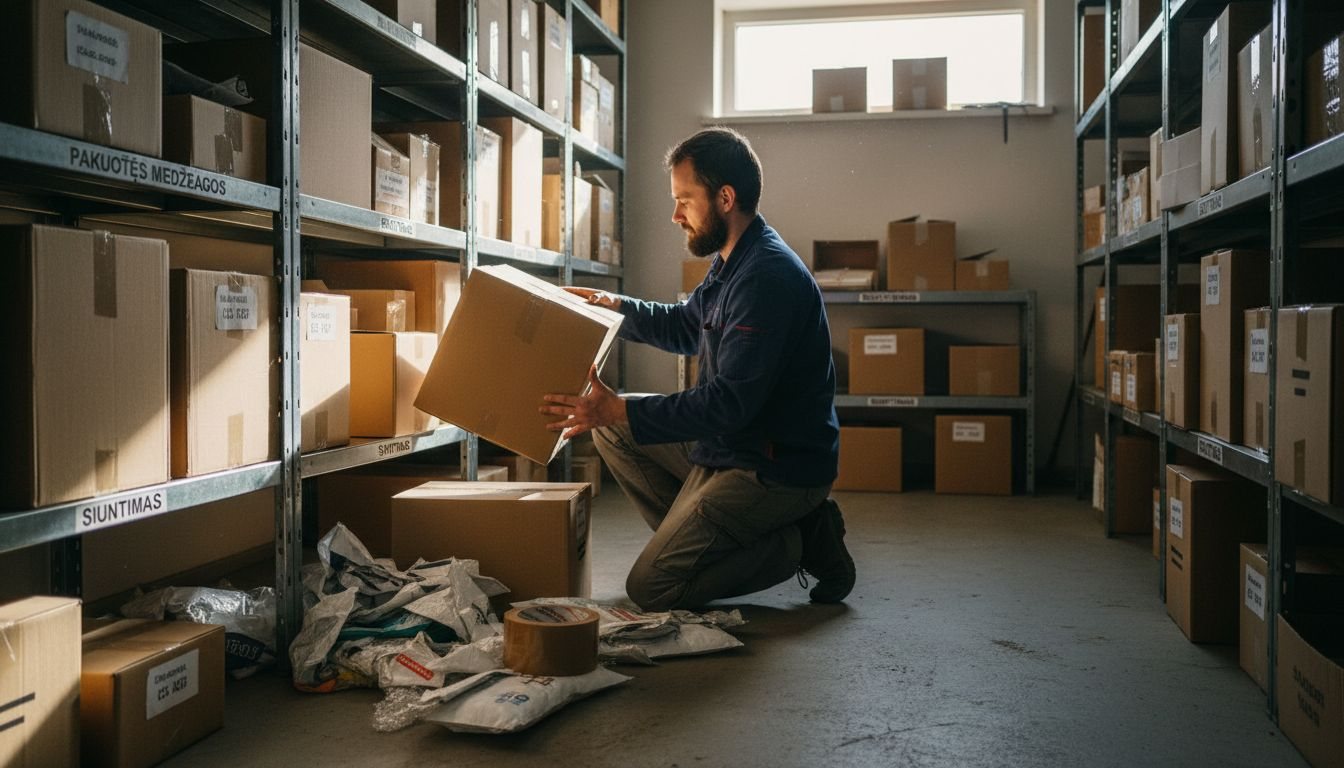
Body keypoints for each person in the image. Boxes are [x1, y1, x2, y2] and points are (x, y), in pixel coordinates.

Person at [540, 126, 855, 611]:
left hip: (774, 465)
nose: (675, 215)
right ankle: (708, 535)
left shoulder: (764, 278)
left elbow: (729, 405)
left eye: (685, 200)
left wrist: (618, 408)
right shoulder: (733, 259)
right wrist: (611, 306)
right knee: (613, 433)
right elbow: (687, 327)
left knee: (652, 588)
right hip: (735, 444)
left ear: (725, 198)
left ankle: (799, 540)